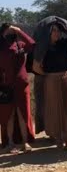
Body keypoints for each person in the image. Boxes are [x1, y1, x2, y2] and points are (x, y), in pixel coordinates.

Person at [33, 23, 67, 149]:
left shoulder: (65, 43)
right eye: (54, 30)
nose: (57, 33)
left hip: (66, 78)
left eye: (59, 30)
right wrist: (48, 76)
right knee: (54, 110)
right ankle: (58, 139)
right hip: (51, 80)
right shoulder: (43, 46)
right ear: (49, 32)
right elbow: (35, 67)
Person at [0, 23, 35, 153]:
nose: (11, 34)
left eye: (12, 32)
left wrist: (20, 31)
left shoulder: (20, 45)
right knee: (8, 115)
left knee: (23, 113)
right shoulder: (1, 47)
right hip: (6, 86)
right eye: (8, 32)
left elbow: (32, 44)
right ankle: (10, 143)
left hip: (22, 85)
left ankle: (25, 142)